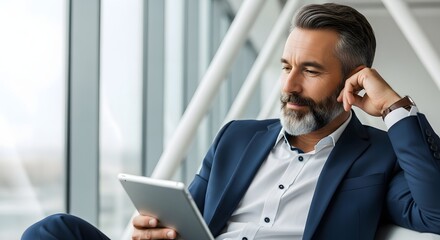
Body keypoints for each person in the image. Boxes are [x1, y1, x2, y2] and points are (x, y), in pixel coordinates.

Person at [22, 3, 440, 240]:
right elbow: (190, 222)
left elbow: (435, 214)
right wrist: (156, 231)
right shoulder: (236, 138)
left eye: (310, 71)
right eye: (285, 66)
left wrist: (394, 108)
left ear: (354, 78)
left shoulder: (380, 155)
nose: (289, 85)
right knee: (55, 230)